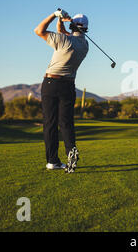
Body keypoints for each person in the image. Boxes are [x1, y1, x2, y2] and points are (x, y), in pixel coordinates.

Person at [34, 9, 89, 172]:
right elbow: (63, 33)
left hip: (51, 83)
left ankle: (52, 161)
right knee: (66, 123)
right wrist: (61, 21)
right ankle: (71, 150)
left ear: (72, 25)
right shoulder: (84, 45)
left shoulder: (63, 40)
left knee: (50, 123)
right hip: (68, 86)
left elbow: (39, 30)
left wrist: (54, 15)